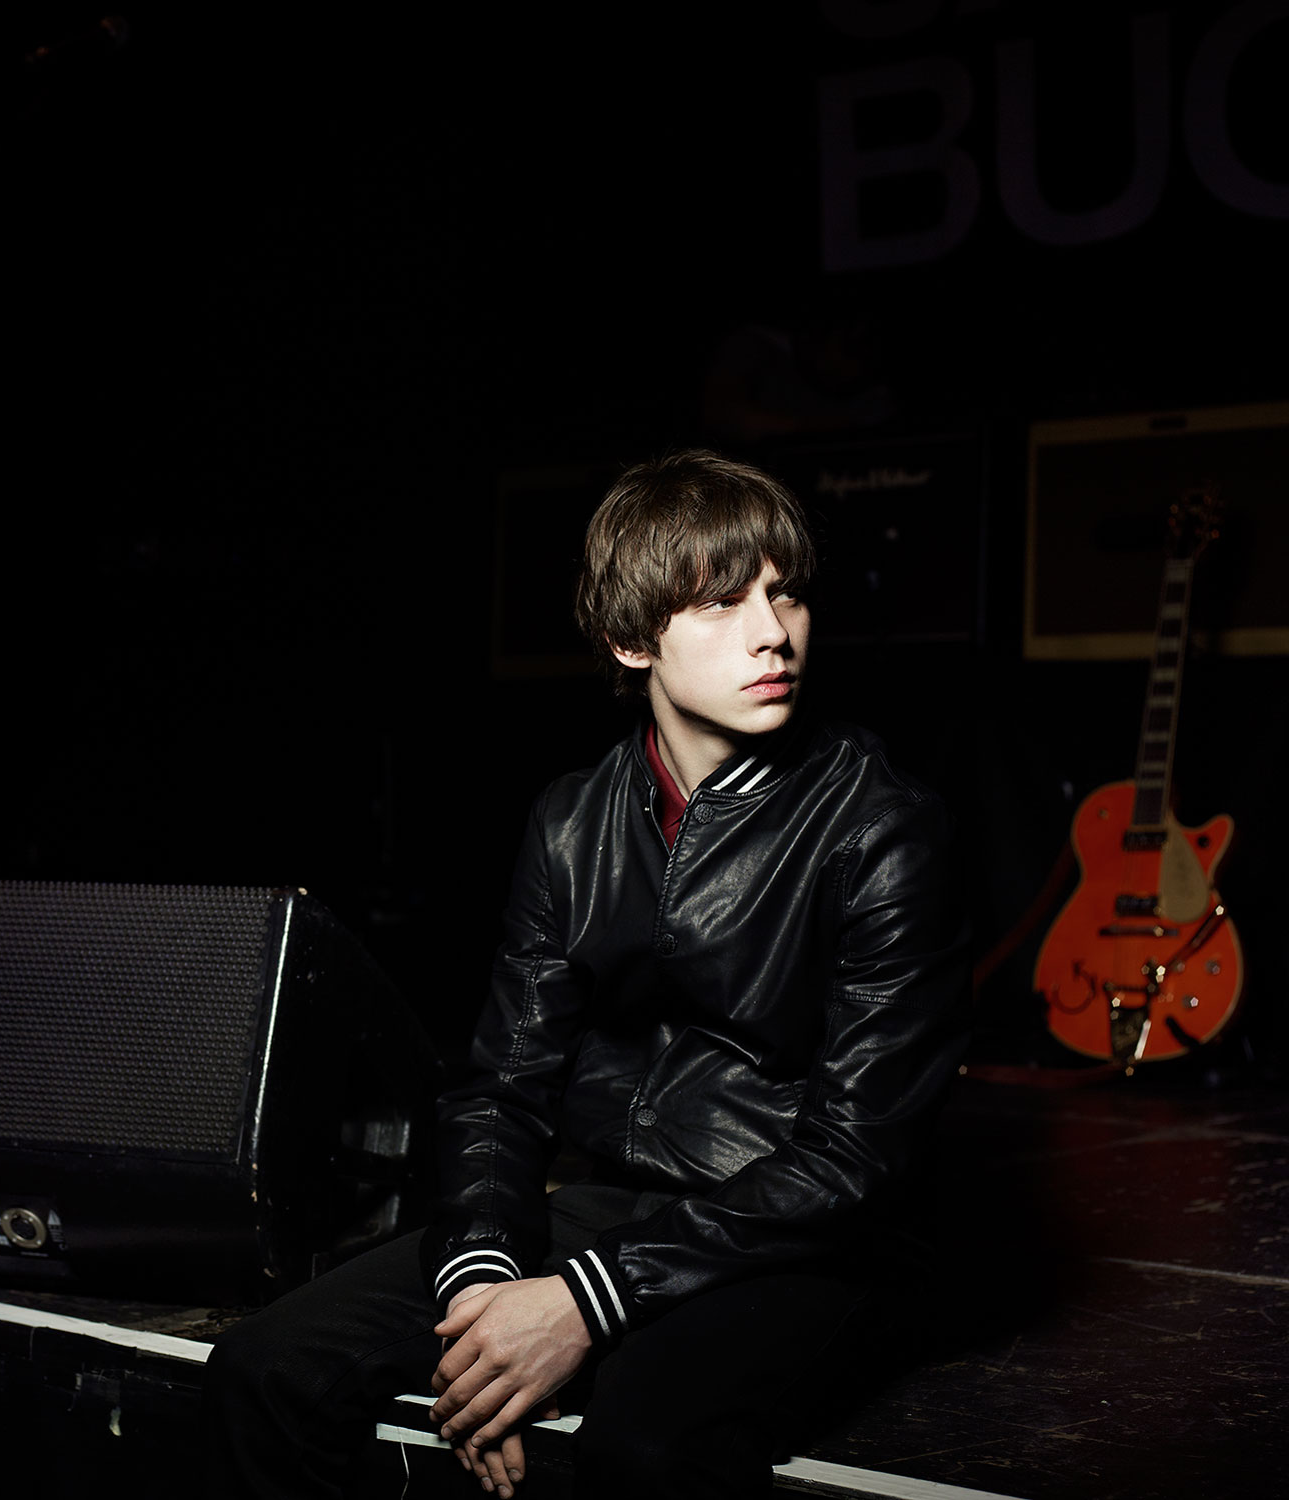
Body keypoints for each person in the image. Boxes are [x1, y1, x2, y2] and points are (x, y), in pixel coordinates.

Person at [203, 450, 970, 1498]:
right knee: (264, 1371)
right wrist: (485, 1288)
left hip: (810, 1234)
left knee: (643, 1449)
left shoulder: (882, 827)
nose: (772, 632)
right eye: (722, 601)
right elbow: (502, 1089)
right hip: (617, 1207)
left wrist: (581, 1302)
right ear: (630, 639)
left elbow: (857, 1155)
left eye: (785, 592)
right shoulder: (573, 820)